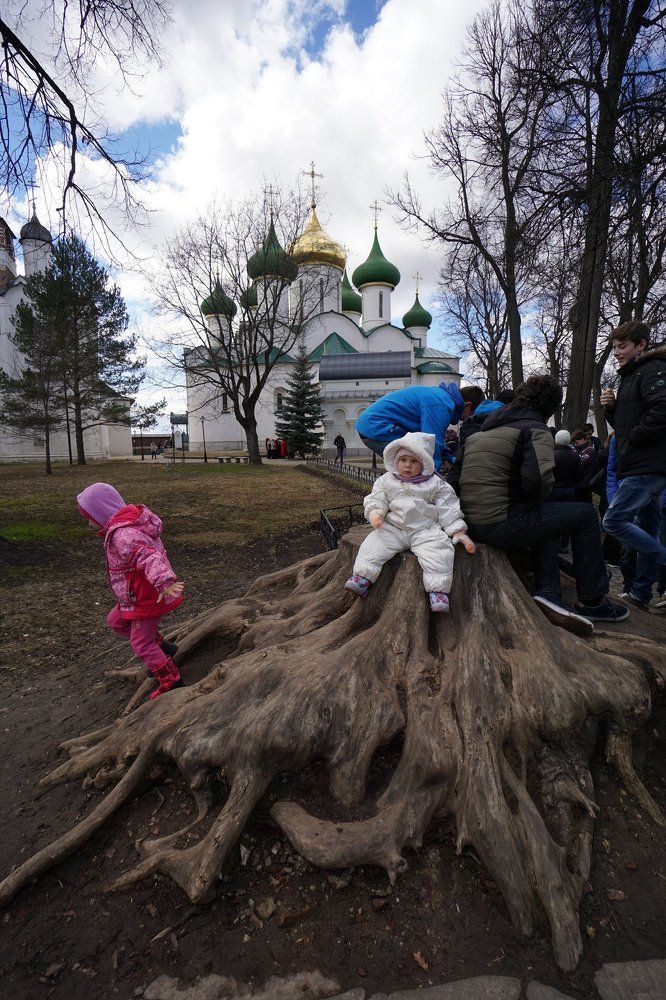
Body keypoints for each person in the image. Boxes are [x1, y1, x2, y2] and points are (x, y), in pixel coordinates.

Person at [453, 374, 628, 633]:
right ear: (550, 408)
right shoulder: (534, 429)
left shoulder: (481, 432)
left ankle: (549, 592)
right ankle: (592, 600)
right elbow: (538, 481)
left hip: (471, 524)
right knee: (585, 515)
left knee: (548, 515)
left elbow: (454, 479)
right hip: (501, 523)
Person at [344, 432, 476, 612]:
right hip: (394, 527)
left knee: (439, 550)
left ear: (424, 463)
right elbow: (377, 497)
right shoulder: (386, 480)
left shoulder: (435, 483)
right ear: (395, 461)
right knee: (375, 542)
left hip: (424, 529)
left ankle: (438, 591)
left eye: (414, 461)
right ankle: (362, 577)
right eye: (403, 460)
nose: (407, 465)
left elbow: (447, 505)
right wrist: (375, 512)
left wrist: (456, 530)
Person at [77, 483, 185, 699]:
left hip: (147, 596)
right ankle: (163, 649)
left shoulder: (123, 535)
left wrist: (164, 582)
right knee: (115, 621)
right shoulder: (122, 528)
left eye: (89, 517)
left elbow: (149, 556)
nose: (88, 523)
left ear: (101, 512)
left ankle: (171, 680)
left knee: (141, 643)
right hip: (134, 594)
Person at [600, 321, 666, 609]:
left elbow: (662, 408)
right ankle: (640, 592)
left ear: (641, 345)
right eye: (614, 347)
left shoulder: (652, 369)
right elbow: (625, 424)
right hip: (642, 463)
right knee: (647, 530)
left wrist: (636, 438)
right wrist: (611, 409)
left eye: (622, 346)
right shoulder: (629, 376)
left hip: (646, 465)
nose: (616, 352)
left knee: (613, 521)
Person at [355, 383, 485, 472]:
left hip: (372, 426)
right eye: (472, 415)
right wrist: (434, 477)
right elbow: (431, 443)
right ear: (467, 405)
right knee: (413, 465)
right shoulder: (441, 404)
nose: (468, 420)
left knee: (410, 468)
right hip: (377, 427)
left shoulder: (441, 398)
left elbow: (434, 438)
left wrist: (446, 456)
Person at [551, 430, 583, 502]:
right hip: (570, 489)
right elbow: (580, 475)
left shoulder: (552, 456)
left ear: (556, 440)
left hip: (554, 489)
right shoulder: (575, 456)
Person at [570, 429, 597, 502]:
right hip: (575, 484)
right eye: (574, 443)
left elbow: (581, 463)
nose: (575, 445)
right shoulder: (575, 450)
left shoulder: (590, 450)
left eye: (576, 442)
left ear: (582, 439)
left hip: (585, 483)